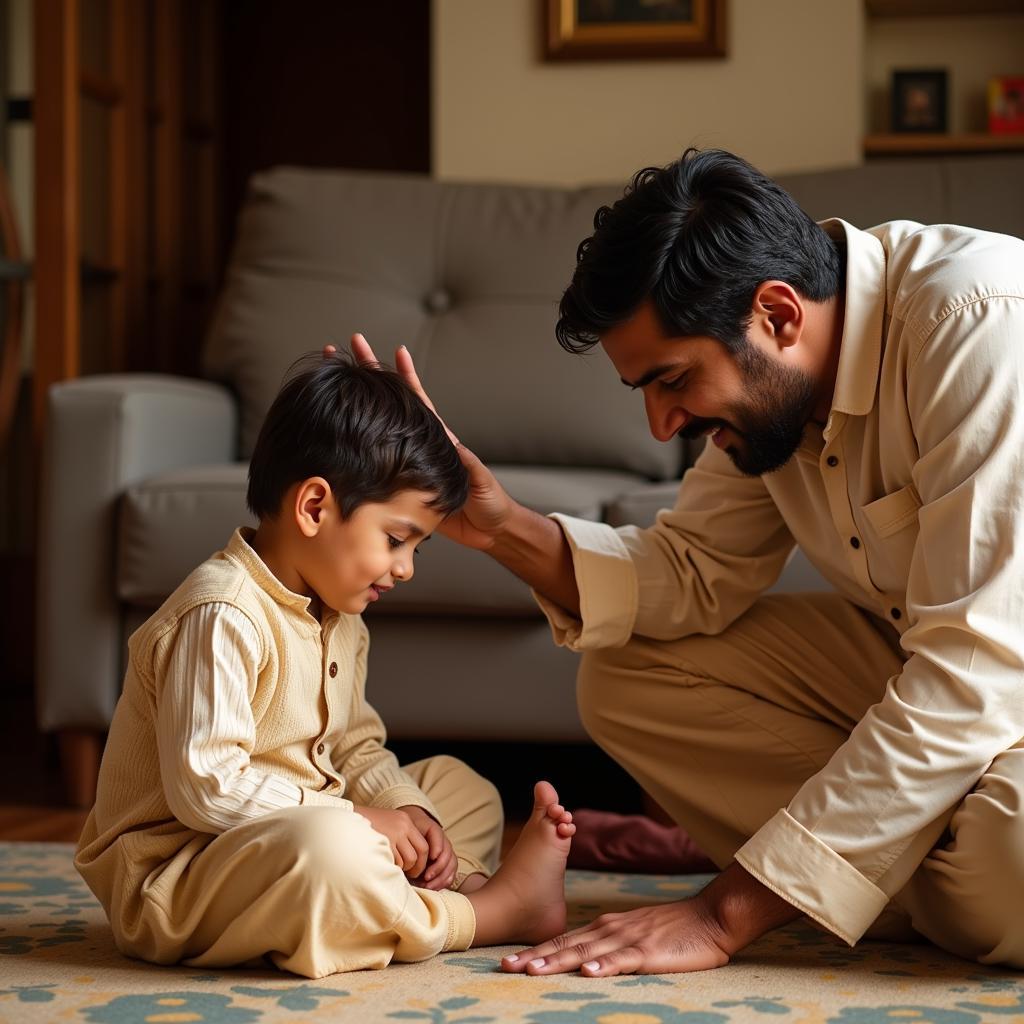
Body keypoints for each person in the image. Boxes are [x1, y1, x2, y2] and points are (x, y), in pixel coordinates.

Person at [350, 146, 1024, 977]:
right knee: (626, 670)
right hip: (957, 679)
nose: (661, 427)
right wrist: (500, 529)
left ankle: (875, 872)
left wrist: (722, 914)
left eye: (672, 381)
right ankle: (880, 867)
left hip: (988, 674)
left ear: (777, 315)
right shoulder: (782, 390)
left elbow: (974, 666)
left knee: (1013, 858)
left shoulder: (977, 323)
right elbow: (695, 571)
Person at [74, 353, 575, 979]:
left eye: (416, 547)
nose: (406, 568)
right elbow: (208, 788)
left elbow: (357, 748)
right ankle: (480, 914)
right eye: (396, 539)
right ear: (314, 507)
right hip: (182, 875)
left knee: (456, 787)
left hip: (302, 828)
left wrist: (407, 816)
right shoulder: (222, 612)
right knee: (334, 850)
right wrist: (362, 820)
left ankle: (449, 881)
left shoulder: (339, 617)